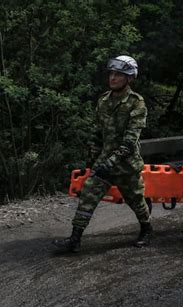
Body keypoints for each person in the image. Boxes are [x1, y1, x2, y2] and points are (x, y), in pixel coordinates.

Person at [52, 55, 152, 252]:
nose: (112, 78)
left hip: (126, 164)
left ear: (129, 78)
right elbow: (98, 132)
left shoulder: (136, 103)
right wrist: (93, 155)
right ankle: (75, 239)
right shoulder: (103, 101)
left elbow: (131, 141)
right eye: (111, 74)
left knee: (136, 200)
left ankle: (147, 229)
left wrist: (112, 162)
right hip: (104, 161)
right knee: (88, 195)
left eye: (118, 75)